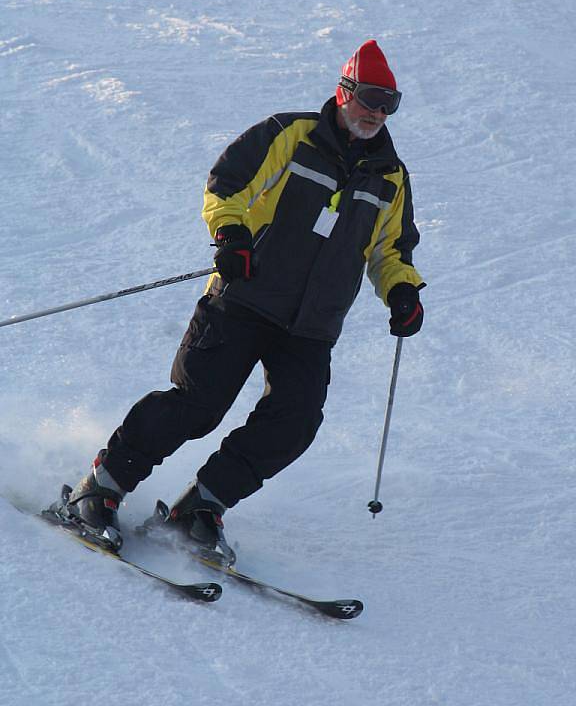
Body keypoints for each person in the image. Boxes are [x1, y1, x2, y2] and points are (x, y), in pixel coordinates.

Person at [59, 39, 426, 562]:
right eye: (369, 97)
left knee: (295, 422)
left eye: (390, 103)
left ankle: (201, 507)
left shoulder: (391, 177)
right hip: (245, 298)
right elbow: (227, 185)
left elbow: (392, 249)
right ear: (343, 91)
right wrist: (232, 236)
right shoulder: (289, 135)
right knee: (197, 405)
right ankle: (100, 486)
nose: (377, 112)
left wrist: (403, 290)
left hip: (311, 326)